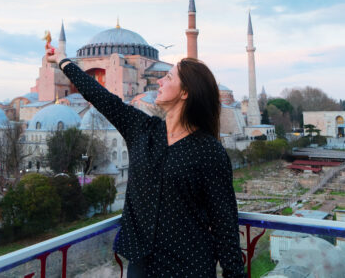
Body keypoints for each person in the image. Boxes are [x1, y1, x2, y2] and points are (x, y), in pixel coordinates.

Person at [47, 48, 245, 278]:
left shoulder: (209, 151)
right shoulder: (142, 130)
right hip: (141, 265)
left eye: (168, 77)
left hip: (189, 267)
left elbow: (225, 226)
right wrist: (62, 60)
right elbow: (101, 97)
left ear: (185, 93)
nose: (159, 81)